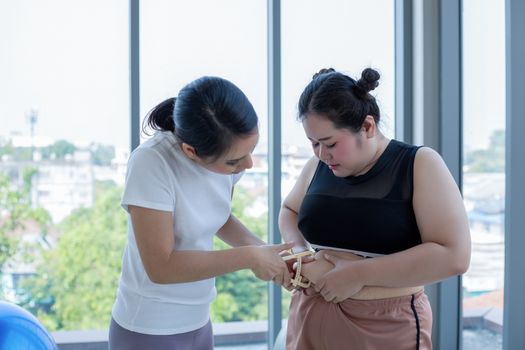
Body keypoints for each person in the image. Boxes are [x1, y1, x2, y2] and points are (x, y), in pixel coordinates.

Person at [279, 68, 471, 350]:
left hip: (384, 326)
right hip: (308, 314)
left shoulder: (418, 163)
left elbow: (454, 256)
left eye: (330, 143)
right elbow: (289, 210)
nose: (321, 154)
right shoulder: (319, 164)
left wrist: (358, 274)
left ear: (367, 126)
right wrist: (297, 252)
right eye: (313, 143)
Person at [109, 76, 293, 350]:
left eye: (251, 151)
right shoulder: (151, 162)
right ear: (191, 152)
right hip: (148, 329)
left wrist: (267, 251)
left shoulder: (227, 160)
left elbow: (217, 216)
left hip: (199, 322)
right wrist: (250, 257)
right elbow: (161, 267)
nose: (248, 164)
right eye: (234, 161)